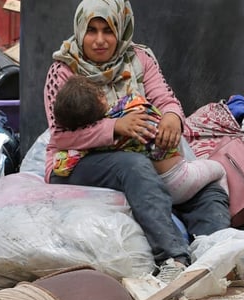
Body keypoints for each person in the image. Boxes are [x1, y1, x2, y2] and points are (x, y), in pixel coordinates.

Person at [44, 0, 231, 283]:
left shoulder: (139, 58)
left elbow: (165, 98)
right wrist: (115, 128)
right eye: (91, 31)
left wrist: (171, 119)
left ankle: (218, 252)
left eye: (108, 30)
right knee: (133, 166)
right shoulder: (64, 69)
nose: (100, 40)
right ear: (80, 31)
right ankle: (173, 258)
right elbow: (61, 135)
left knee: (203, 189)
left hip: (141, 152)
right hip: (79, 162)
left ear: (122, 29)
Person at [52, 74, 225, 204]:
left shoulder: (91, 144)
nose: (100, 41)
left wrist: (172, 115)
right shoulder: (131, 109)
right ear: (101, 98)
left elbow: (61, 165)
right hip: (179, 178)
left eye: (107, 31)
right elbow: (58, 138)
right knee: (219, 169)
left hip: (148, 189)